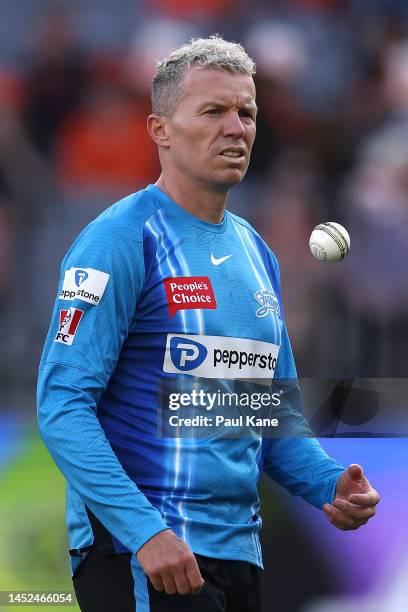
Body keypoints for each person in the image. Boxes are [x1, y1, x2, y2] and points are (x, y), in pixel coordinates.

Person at [37, 36, 380, 612]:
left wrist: (328, 483)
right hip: (146, 556)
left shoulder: (255, 252)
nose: (236, 128)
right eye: (214, 111)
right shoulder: (121, 239)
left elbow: (266, 410)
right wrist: (144, 531)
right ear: (160, 130)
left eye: (246, 113)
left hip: (238, 554)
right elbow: (62, 404)